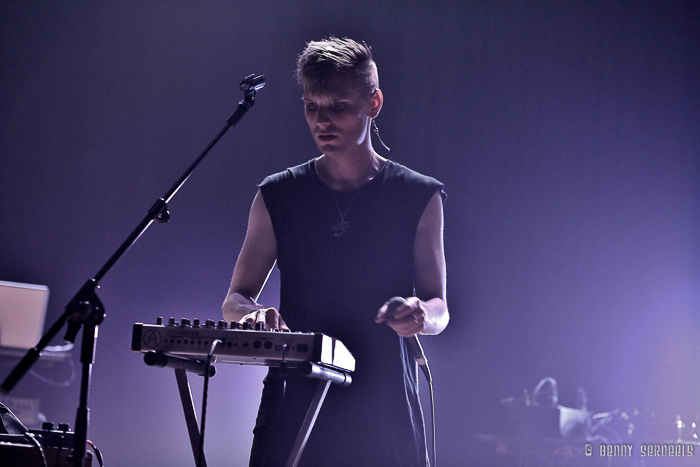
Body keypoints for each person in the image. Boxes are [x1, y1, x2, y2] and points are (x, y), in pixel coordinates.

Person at [222, 36, 448, 467]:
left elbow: (440, 308)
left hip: (384, 401)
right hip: (296, 392)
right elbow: (234, 300)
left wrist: (422, 313)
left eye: (338, 106)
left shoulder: (418, 195)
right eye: (312, 106)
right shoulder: (278, 194)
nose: (322, 120)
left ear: (373, 103)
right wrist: (252, 315)